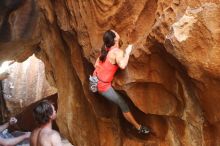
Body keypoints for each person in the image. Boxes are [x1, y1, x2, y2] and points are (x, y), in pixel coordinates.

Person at [93, 29, 150, 134]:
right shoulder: (116, 52)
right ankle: (138, 127)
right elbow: (123, 65)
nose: (116, 32)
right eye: (115, 33)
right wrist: (127, 52)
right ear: (115, 39)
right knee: (123, 104)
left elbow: (96, 64)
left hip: (95, 79)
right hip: (103, 86)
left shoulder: (105, 47)